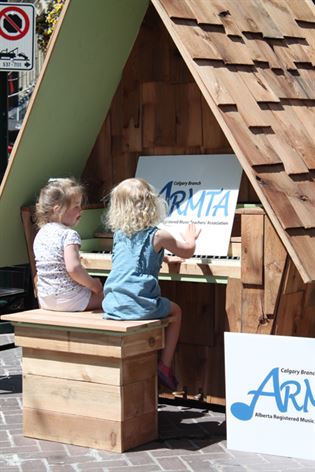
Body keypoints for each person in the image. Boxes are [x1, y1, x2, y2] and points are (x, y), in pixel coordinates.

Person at [102, 177, 200, 390]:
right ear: (152, 204)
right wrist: (191, 237)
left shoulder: (119, 234)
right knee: (176, 312)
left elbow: (132, 260)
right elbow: (187, 251)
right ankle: (164, 365)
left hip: (112, 303)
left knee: (161, 306)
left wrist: (161, 258)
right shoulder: (158, 234)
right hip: (138, 305)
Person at [33, 178, 103, 312]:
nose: (81, 210)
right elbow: (73, 269)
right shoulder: (69, 234)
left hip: (45, 300)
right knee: (112, 298)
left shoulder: (41, 234)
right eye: (76, 206)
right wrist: (94, 285)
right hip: (70, 300)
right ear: (58, 210)